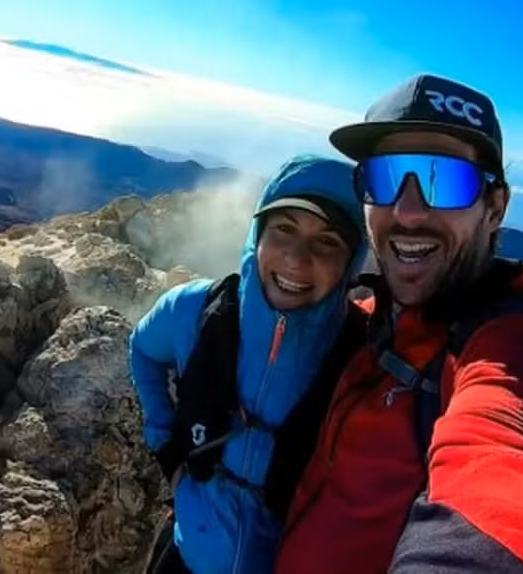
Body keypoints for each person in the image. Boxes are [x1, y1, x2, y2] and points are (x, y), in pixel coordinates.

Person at [274, 75, 523, 573]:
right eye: (384, 178)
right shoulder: (368, 322)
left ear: (495, 208)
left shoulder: (516, 346)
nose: (405, 212)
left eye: (442, 180)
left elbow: (500, 466)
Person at [129, 154, 369, 574]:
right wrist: (166, 449)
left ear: (351, 263)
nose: (296, 258)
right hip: (187, 553)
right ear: (257, 236)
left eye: (327, 241)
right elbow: (144, 350)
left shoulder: (364, 358)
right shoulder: (194, 310)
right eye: (283, 230)